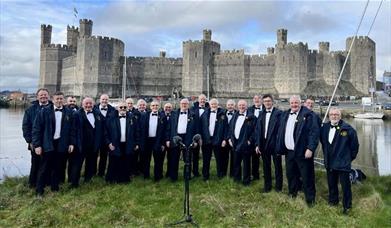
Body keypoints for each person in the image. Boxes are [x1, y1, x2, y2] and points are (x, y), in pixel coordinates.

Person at [276, 95, 319, 206]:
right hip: (289, 151)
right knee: (291, 174)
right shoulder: (285, 114)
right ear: (289, 104)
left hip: (303, 151)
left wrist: (310, 148)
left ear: (301, 103)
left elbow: (314, 133)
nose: (294, 105)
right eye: (292, 103)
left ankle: (310, 200)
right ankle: (292, 193)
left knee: (307, 176)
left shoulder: (308, 115)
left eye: (296, 103)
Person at [32, 91, 74, 196]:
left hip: (61, 144)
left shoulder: (69, 112)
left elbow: (72, 130)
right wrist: (37, 145)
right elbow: (36, 129)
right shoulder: (44, 112)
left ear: (63, 100)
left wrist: (71, 143)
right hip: (47, 144)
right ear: (52, 100)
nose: (59, 101)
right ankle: (39, 191)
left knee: (57, 167)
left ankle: (55, 189)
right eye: (57, 99)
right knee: (43, 168)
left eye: (61, 99)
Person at [320, 107, 359, 214]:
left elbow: (355, 147)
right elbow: (324, 143)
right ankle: (333, 202)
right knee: (332, 184)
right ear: (329, 116)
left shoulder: (348, 129)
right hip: (330, 162)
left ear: (340, 116)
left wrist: (348, 159)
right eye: (332, 114)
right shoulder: (324, 128)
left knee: (345, 186)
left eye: (336, 114)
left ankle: (347, 206)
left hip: (343, 164)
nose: (334, 116)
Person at [69, 97, 104, 187]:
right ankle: (74, 183)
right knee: (77, 164)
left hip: (93, 144)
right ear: (82, 104)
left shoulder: (97, 113)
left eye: (90, 103)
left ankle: (87, 180)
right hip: (80, 144)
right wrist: (72, 143)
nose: (88, 105)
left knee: (91, 163)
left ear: (93, 104)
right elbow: (73, 130)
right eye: (86, 103)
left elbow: (101, 127)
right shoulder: (76, 114)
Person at [22, 88, 51, 188]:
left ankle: (46, 183)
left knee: (48, 164)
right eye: (41, 95)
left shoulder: (53, 107)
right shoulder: (30, 110)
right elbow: (26, 127)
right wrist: (30, 141)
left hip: (50, 142)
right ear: (37, 96)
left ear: (48, 96)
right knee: (35, 163)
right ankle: (32, 183)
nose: (43, 97)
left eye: (45, 95)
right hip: (35, 141)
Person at [105, 101, 139, 183]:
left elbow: (137, 131)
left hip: (128, 144)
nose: (123, 109)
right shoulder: (111, 118)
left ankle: (124, 179)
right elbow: (106, 132)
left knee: (126, 161)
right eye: (121, 107)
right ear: (117, 108)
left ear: (127, 108)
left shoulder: (132, 117)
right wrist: (109, 143)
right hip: (115, 144)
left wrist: (137, 143)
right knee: (114, 161)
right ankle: (112, 179)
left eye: (125, 107)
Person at [255, 94, 283, 192]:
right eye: (265, 101)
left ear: (272, 102)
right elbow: (258, 130)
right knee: (266, 167)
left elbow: (281, 130)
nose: (267, 103)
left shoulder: (279, 113)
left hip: (275, 144)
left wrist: (279, 144)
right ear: (263, 102)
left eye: (269, 101)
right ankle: (267, 187)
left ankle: (278, 188)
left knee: (277, 167)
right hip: (263, 144)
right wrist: (258, 144)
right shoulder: (261, 113)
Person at [166, 98, 197, 181]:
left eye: (186, 103)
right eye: (182, 103)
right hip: (175, 137)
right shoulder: (174, 114)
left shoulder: (193, 114)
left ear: (188, 105)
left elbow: (195, 129)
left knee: (187, 158)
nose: (184, 105)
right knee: (174, 158)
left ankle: (187, 176)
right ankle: (173, 177)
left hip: (188, 138)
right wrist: (168, 140)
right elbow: (168, 128)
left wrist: (194, 141)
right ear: (180, 104)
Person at [228, 100, 256, 186]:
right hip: (235, 142)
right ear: (237, 106)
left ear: (246, 106)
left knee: (246, 163)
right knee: (236, 162)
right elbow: (230, 128)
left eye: (243, 105)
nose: (241, 107)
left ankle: (246, 181)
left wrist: (250, 141)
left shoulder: (252, 117)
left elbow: (255, 131)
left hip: (245, 143)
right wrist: (229, 138)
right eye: (240, 105)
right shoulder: (235, 115)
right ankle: (237, 179)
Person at [200, 98, 226, 180]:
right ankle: (205, 175)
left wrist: (224, 139)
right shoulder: (204, 114)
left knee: (219, 158)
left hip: (218, 139)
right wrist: (201, 138)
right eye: (212, 104)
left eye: (215, 104)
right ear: (209, 105)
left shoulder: (222, 114)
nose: (214, 105)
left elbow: (226, 128)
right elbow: (201, 127)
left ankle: (220, 175)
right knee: (206, 159)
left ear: (217, 105)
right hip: (206, 139)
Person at [143, 101, 167, 181]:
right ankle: (146, 175)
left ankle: (158, 176)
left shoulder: (163, 116)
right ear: (150, 107)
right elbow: (142, 129)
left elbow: (164, 131)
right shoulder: (145, 115)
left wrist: (163, 143)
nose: (155, 107)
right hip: (147, 140)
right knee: (146, 159)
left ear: (159, 106)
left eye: (156, 105)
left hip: (158, 140)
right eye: (153, 105)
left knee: (158, 159)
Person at [94, 94, 116, 177]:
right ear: (100, 100)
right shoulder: (94, 108)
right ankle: (92, 172)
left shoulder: (112, 110)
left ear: (108, 100)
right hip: (96, 136)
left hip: (107, 137)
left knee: (104, 156)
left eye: (106, 99)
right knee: (94, 155)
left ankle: (101, 173)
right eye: (103, 99)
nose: (104, 101)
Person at [190, 94, 209, 177]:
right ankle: (195, 171)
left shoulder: (209, 108)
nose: (202, 101)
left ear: (206, 100)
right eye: (201, 99)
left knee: (206, 155)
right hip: (195, 134)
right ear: (198, 100)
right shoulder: (193, 109)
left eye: (204, 99)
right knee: (195, 155)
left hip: (206, 135)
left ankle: (205, 172)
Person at [248, 95, 264, 181]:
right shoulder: (249, 109)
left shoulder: (265, 109)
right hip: (251, 136)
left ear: (262, 100)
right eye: (255, 99)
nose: (257, 100)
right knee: (252, 156)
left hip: (262, 136)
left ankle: (263, 174)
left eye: (259, 99)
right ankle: (253, 175)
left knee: (261, 156)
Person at [222, 99, 236, 177]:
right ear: (226, 106)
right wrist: (224, 139)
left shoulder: (238, 114)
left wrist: (231, 138)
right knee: (224, 157)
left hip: (233, 139)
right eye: (229, 105)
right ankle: (223, 173)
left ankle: (233, 174)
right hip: (224, 139)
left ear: (234, 106)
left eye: (232, 105)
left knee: (234, 157)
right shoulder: (222, 114)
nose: (230, 106)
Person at [162, 103, 173, 178]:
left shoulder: (174, 116)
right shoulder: (160, 116)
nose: (168, 108)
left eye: (169, 107)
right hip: (162, 140)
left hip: (170, 140)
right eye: (166, 107)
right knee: (161, 158)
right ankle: (160, 173)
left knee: (171, 157)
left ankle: (169, 173)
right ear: (163, 108)